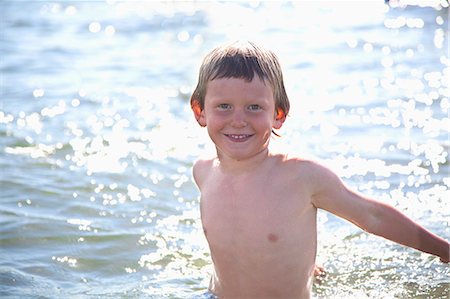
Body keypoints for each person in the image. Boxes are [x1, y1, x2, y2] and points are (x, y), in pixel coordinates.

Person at [189, 41, 449, 299]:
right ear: (200, 111)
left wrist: (443, 249)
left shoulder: (301, 177)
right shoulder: (204, 172)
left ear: (278, 114)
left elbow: (373, 216)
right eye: (224, 106)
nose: (238, 120)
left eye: (254, 107)